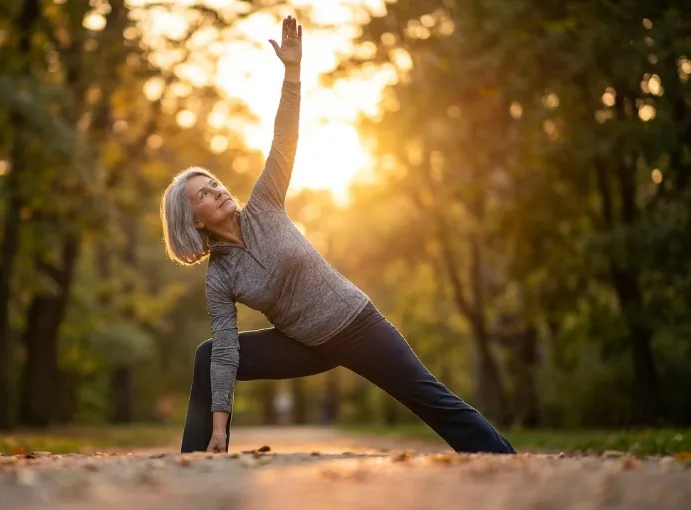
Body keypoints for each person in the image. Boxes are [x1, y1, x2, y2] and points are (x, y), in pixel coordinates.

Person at [159, 15, 516, 455]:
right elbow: (228, 354)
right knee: (208, 353)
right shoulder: (219, 278)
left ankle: (507, 460)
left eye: (213, 183)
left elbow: (283, 140)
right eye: (203, 195)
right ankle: (199, 459)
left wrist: (292, 71)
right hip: (304, 345)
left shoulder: (265, 204)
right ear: (192, 220)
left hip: (356, 324)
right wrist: (219, 428)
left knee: (429, 397)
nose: (216, 190)